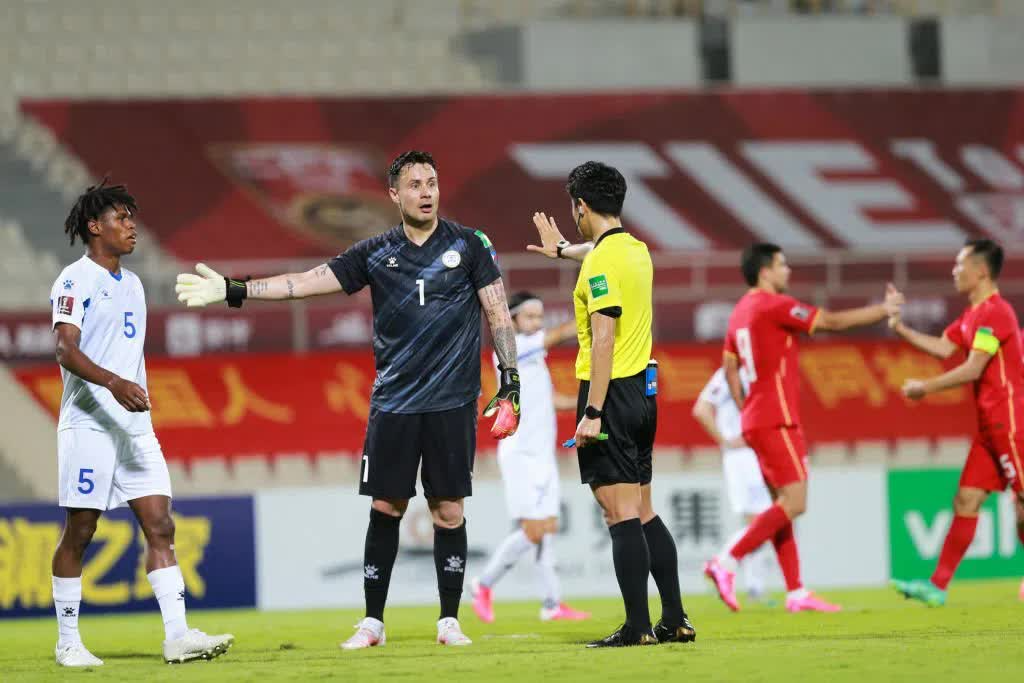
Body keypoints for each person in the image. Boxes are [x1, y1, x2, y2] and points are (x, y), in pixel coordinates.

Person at [175, 150, 521, 648]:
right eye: (415, 184)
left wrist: (511, 382)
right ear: (394, 195)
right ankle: (373, 622)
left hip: (452, 402)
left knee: (449, 511)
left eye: (432, 182)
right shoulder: (375, 253)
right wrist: (235, 289)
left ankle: (449, 620)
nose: (426, 192)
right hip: (394, 404)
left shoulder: (469, 246)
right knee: (386, 506)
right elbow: (303, 284)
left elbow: (499, 314)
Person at [50, 181, 233, 667]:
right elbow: (65, 349)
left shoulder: (131, 285)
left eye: (132, 217)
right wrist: (113, 383)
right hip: (89, 424)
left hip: (134, 427)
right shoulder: (74, 279)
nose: (132, 225)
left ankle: (177, 636)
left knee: (161, 524)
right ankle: (68, 641)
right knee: (82, 530)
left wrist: (127, 390)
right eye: (121, 217)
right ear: (95, 226)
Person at [527, 161, 695, 648]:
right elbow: (594, 250)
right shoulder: (635, 251)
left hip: (611, 394)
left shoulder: (600, 263)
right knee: (642, 508)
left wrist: (592, 411)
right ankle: (675, 619)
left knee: (617, 511)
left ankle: (638, 628)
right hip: (643, 390)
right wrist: (563, 250)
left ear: (581, 207)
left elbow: (602, 339)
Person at [704, 242, 902, 613]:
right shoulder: (773, 305)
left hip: (756, 419)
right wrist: (883, 309)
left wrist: (748, 407)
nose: (788, 271)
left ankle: (796, 592)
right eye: (782, 265)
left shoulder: (739, 313)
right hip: (777, 419)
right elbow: (831, 322)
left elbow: (729, 369)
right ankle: (726, 560)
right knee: (795, 502)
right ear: (765, 271)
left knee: (781, 506)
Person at [888, 239, 1024, 606]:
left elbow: (974, 366)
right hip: (988, 428)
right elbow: (944, 348)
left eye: (959, 264)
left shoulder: (997, 313)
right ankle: (937, 587)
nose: (953, 270)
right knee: (966, 499)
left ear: (981, 271)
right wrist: (900, 329)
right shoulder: (972, 316)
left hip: (1011, 421)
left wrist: (925, 388)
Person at [470, 291, 590, 623]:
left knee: (546, 529)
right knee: (536, 528)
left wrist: (592, 405)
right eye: (531, 316)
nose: (538, 323)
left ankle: (552, 604)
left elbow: (550, 400)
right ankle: (483, 583)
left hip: (542, 454)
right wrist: (590, 314)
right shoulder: (509, 349)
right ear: (512, 319)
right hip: (521, 453)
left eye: (540, 316)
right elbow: (557, 335)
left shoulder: (534, 359)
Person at [692, 366, 774, 601]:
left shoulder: (752, 371)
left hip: (752, 454)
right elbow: (701, 409)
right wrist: (725, 441)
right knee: (762, 521)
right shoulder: (730, 373)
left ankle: (754, 586)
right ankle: (721, 563)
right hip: (743, 456)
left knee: (762, 521)